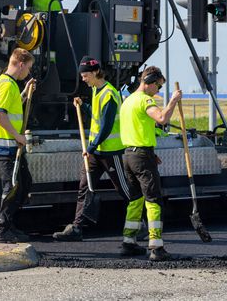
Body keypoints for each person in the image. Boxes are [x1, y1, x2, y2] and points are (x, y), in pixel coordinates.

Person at [52, 56, 132, 241]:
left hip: (111, 152)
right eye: (82, 76)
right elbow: (96, 115)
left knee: (124, 189)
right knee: (85, 187)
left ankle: (140, 222)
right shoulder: (96, 90)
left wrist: (92, 145)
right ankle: (77, 228)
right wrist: (84, 106)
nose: (83, 79)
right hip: (95, 152)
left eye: (86, 75)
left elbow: (106, 125)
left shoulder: (110, 94)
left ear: (96, 72)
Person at [119, 66, 181, 262]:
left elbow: (138, 129)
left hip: (129, 155)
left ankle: (128, 242)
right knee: (153, 200)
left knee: (135, 199)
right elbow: (162, 118)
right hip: (141, 157)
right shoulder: (146, 100)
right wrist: (173, 101)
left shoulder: (128, 101)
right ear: (151, 82)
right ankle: (156, 246)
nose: (158, 91)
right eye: (159, 86)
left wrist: (150, 153)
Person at [0, 48, 36, 243]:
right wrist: (18, 136)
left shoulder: (9, 84)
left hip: (10, 146)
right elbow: (0, 115)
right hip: (6, 146)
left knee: (23, 186)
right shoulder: (7, 85)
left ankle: (6, 222)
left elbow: (12, 107)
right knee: (12, 188)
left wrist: (24, 92)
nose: (28, 73)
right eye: (29, 68)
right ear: (21, 64)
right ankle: (1, 228)